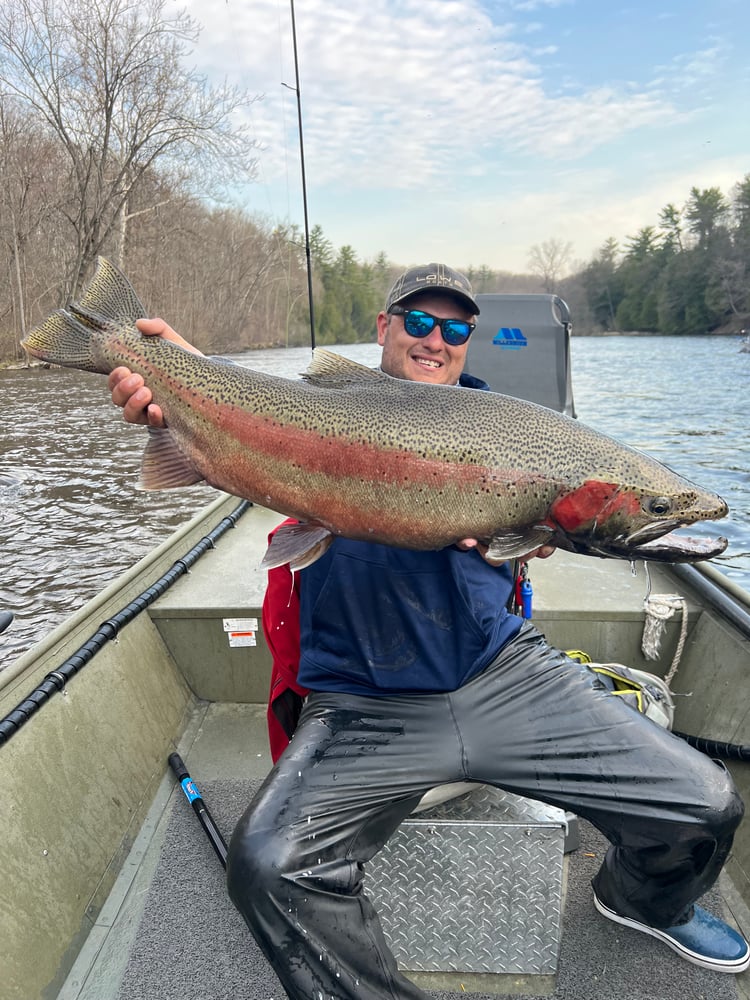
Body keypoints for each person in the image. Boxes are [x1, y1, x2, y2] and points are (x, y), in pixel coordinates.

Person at [109, 263, 748, 999]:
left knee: (705, 804)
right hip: (362, 702)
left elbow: (569, 511)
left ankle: (639, 899)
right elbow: (260, 416)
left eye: (454, 328)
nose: (434, 339)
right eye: (417, 321)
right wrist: (184, 383)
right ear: (383, 328)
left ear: (468, 342)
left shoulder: (506, 428)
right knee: (264, 868)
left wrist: (543, 528)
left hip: (502, 674)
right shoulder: (325, 410)